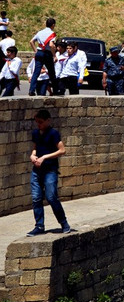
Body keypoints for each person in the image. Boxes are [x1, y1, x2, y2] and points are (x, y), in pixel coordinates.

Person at [27, 108, 72, 236]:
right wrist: (33, 155)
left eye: (41, 122)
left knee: (51, 197)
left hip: (50, 170)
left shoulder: (53, 133)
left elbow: (62, 150)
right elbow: (35, 149)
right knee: (36, 198)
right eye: (37, 122)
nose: (39, 125)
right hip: (37, 170)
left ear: (48, 120)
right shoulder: (36, 133)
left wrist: (44, 157)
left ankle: (64, 223)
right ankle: (39, 226)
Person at [31, 17, 58, 97]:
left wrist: (36, 51)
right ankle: (55, 90)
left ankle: (31, 90)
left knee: (36, 72)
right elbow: (51, 45)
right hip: (47, 53)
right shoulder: (52, 33)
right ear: (53, 25)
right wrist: (54, 55)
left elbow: (31, 41)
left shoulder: (40, 32)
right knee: (52, 72)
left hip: (39, 52)